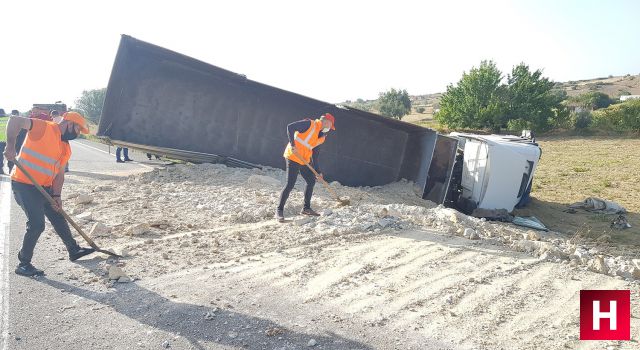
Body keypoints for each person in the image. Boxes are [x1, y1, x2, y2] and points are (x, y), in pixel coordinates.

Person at [3, 111, 96, 276]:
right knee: (37, 224)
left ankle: (73, 250)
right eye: (78, 129)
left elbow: (59, 174)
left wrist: (56, 196)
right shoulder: (43, 127)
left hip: (44, 187)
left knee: (58, 215)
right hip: (24, 184)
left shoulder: (65, 147)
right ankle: (23, 264)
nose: (78, 133)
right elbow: (15, 120)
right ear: (69, 123)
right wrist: (10, 146)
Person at [275, 113, 336, 222]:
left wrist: (318, 171)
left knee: (311, 180)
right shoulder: (309, 124)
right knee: (290, 184)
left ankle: (306, 208)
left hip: (304, 160)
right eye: (329, 126)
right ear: (326, 122)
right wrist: (293, 145)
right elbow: (290, 127)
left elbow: (315, 155)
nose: (329, 129)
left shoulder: (320, 136)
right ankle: (279, 210)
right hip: (293, 156)